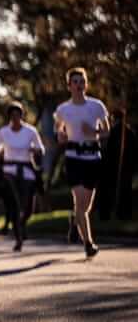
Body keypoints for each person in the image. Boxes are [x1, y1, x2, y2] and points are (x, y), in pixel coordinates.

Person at [55, 67, 109, 258]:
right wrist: (61, 135)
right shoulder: (63, 109)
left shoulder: (97, 106)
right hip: (73, 157)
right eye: (75, 81)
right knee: (79, 201)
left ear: (86, 84)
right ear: (69, 86)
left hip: (93, 158)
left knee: (85, 206)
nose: (79, 85)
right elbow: (59, 132)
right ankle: (88, 243)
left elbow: (107, 132)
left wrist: (93, 133)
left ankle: (74, 221)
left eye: (82, 81)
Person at [0, 102, 45, 252]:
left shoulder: (30, 131)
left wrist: (35, 150)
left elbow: (41, 148)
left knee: (28, 208)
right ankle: (18, 238)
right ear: (9, 117)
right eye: (12, 115)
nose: (15, 118)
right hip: (9, 170)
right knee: (15, 205)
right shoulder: (3, 132)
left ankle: (21, 224)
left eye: (18, 115)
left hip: (27, 170)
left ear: (22, 116)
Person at [98, 109, 136, 221]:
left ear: (114, 119)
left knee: (107, 191)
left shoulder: (115, 132)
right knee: (125, 191)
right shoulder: (130, 132)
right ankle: (124, 213)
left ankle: (106, 215)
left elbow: (107, 150)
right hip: (126, 168)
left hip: (112, 167)